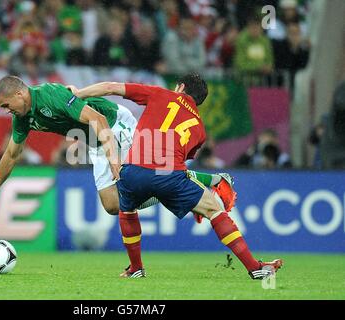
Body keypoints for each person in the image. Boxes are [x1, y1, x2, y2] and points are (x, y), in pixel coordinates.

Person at [69, 73, 282, 280]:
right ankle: (254, 267)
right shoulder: (200, 129)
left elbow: (110, 87)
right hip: (170, 175)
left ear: (180, 87)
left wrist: (79, 93)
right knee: (214, 210)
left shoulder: (159, 94)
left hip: (134, 172)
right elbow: (182, 162)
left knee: (127, 207)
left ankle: (136, 268)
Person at [0, 75, 234, 217]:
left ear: (20, 93)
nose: (6, 111)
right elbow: (11, 154)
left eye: (6, 105)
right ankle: (190, 189)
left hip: (113, 123)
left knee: (149, 176)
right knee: (112, 206)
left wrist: (114, 159)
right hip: (95, 140)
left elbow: (97, 119)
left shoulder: (50, 96)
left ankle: (206, 180)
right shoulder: (22, 117)